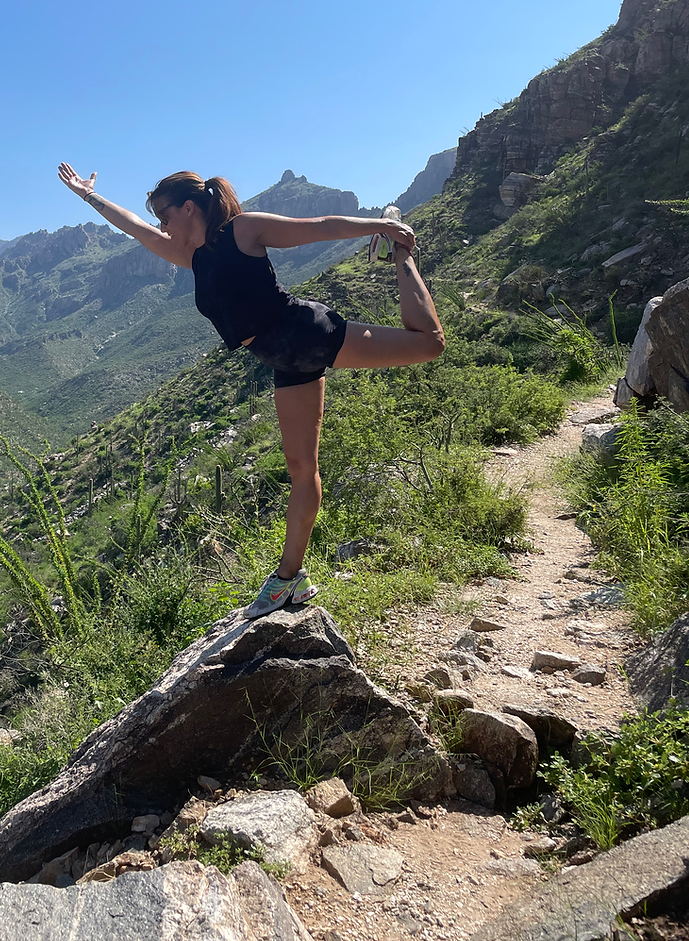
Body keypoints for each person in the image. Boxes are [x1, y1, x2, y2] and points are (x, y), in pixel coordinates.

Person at [57, 163, 445, 618]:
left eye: (165, 215)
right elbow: (133, 227)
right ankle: (288, 580)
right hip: (283, 361)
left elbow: (319, 226)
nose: (161, 226)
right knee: (301, 468)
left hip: (307, 333)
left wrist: (380, 226)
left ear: (189, 207)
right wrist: (88, 195)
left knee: (430, 344)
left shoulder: (242, 230)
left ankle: (401, 256)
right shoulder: (191, 256)